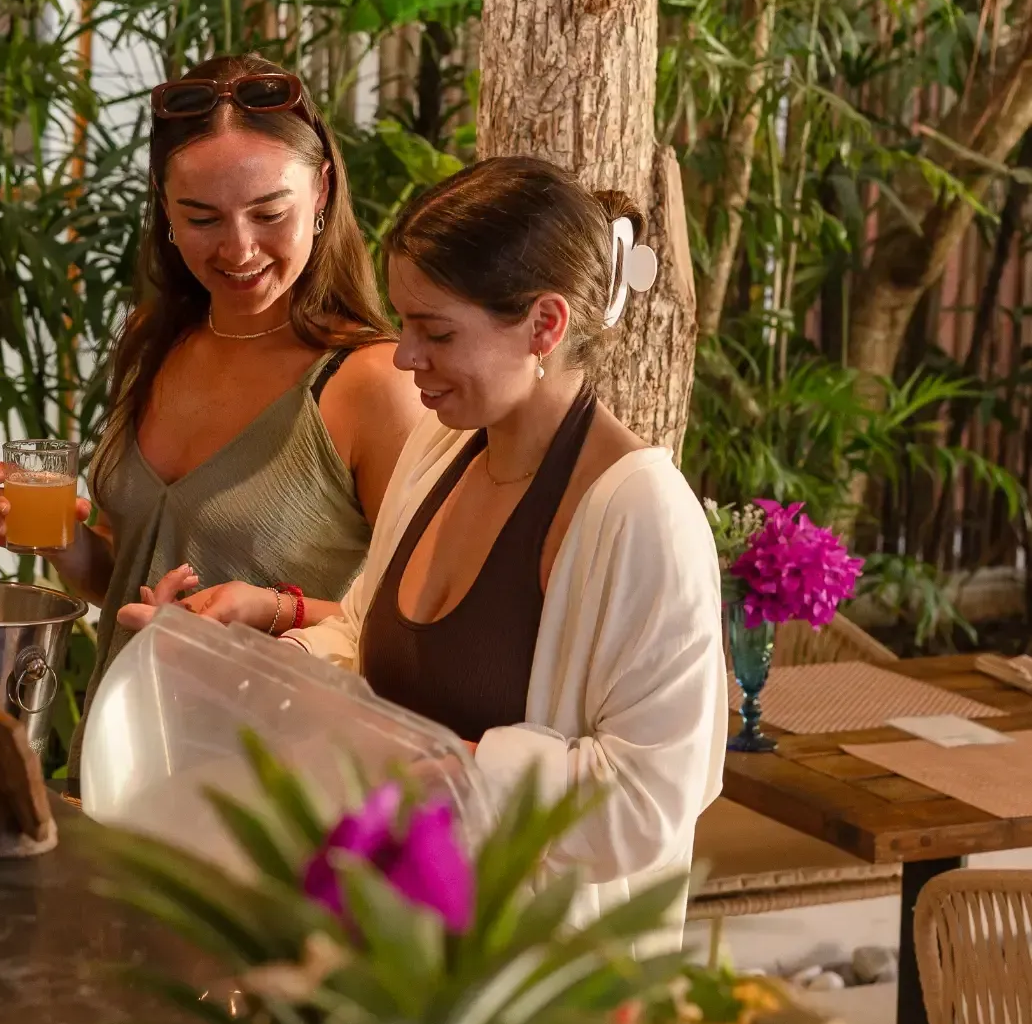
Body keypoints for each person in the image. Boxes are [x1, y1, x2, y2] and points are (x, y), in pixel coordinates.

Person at [151, 155, 727, 926]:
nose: (404, 356)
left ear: (544, 326)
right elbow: (361, 642)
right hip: (383, 947)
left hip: (517, 998)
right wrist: (232, 666)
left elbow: (651, 800)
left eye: (437, 332)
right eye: (405, 323)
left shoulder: (640, 513)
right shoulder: (442, 449)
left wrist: (454, 773)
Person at [0, 54, 423, 782]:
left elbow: (418, 632)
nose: (238, 249)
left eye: (269, 213)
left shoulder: (371, 383)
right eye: (202, 217)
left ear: (322, 194)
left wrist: (272, 610)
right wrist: (61, 541)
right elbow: (125, 578)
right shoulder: (154, 340)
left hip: (279, 796)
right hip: (124, 766)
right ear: (165, 212)